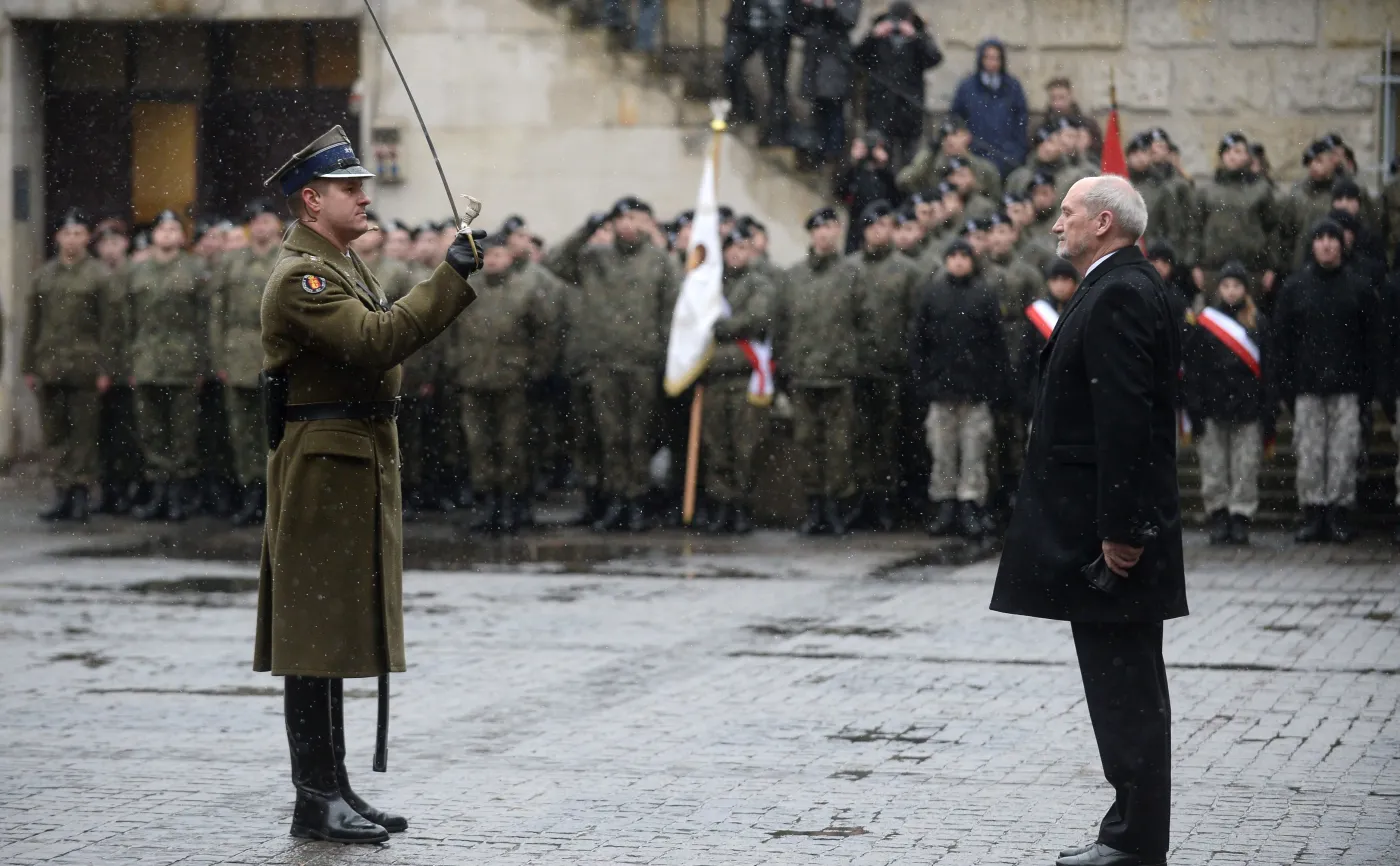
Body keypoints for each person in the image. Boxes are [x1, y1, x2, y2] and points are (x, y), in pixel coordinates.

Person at [254, 126, 484, 844]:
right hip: (324, 462)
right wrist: (448, 278)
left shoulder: (344, 265)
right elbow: (376, 342)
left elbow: (382, 340)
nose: (364, 197)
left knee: (330, 633)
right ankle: (314, 796)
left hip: (351, 455)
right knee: (312, 636)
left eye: (364, 186)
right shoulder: (303, 277)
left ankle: (335, 789)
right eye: (351, 189)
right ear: (312, 200)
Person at [993, 176, 1186, 866]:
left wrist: (1123, 530)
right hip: (1107, 526)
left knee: (1126, 691)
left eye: (1067, 214)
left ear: (1103, 222)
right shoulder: (1122, 285)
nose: (1056, 226)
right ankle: (1130, 833)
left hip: (1114, 539)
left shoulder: (1121, 292)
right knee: (1123, 687)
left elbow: (1127, 420)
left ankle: (1133, 845)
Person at [550, 197, 680, 531]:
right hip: (602, 361)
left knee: (638, 437)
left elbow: (670, 313)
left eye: (635, 218)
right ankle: (615, 500)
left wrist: (663, 357)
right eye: (621, 219)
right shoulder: (594, 259)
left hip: (642, 362)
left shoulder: (660, 262)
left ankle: (636, 501)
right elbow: (556, 264)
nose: (628, 225)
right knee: (609, 436)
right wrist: (587, 228)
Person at [1272, 218, 1383, 545]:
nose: (1326, 244)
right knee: (1309, 452)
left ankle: (1339, 513)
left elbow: (1372, 343)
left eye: (1332, 238)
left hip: (1347, 389)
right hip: (1307, 389)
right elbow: (1282, 342)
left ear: (1341, 244)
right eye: (1319, 238)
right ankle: (1313, 513)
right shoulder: (1295, 288)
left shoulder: (1360, 288)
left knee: (1343, 453)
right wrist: (1288, 387)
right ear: (1313, 244)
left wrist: (1367, 389)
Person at [452, 235, 555, 534]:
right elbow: (451, 331)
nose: (494, 260)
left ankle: (514, 505)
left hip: (513, 380)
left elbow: (545, 333)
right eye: (489, 255)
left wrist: (536, 369)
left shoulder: (526, 290)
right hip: (473, 378)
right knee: (479, 445)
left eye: (500, 254)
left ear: (510, 257)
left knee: (513, 445)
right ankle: (488, 504)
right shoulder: (469, 290)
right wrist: (455, 364)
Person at [908, 238, 1006, 538]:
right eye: (954, 256)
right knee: (942, 449)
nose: (959, 261)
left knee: (974, 449)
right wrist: (923, 381)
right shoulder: (933, 294)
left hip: (974, 390)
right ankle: (945, 503)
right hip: (941, 389)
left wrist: (995, 385)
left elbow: (996, 346)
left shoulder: (984, 295)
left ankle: (971, 504)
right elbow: (919, 342)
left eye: (965, 256)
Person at [21, 210, 116, 522]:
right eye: (67, 233)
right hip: (50, 365)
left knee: (84, 434)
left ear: (87, 238)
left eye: (78, 233)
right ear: (58, 237)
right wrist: (28, 366)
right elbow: (32, 325)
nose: (72, 239)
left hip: (85, 366)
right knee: (55, 433)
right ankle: (61, 491)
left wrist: (105, 367)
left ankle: (80, 492)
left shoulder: (99, 275)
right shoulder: (43, 276)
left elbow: (108, 326)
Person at [120, 210, 209, 522]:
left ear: (182, 237)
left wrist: (202, 364)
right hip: (147, 361)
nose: (168, 234)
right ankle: (158, 492)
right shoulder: (137, 271)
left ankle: (179, 496)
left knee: (183, 432)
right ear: (154, 235)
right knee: (151, 431)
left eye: (174, 229)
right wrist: (128, 361)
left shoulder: (196, 270)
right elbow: (127, 321)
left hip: (183, 361)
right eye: (163, 229)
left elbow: (204, 321)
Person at [780, 207, 864, 534]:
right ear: (812, 234)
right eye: (820, 229)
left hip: (840, 374)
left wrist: (854, 361)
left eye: (831, 228)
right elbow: (783, 324)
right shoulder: (794, 277)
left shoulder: (851, 274)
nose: (825, 234)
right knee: (806, 444)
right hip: (803, 374)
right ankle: (813, 506)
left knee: (839, 446)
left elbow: (865, 323)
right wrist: (786, 367)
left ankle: (835, 508)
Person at [1184, 262, 1275, 546]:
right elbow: (1194, 369)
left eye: (1237, 286)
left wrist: (1267, 406)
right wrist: (1195, 406)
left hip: (1247, 408)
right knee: (1213, 467)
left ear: (1245, 289)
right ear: (1218, 289)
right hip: (1213, 407)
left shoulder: (1258, 323)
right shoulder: (1205, 324)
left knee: (1245, 466)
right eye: (1226, 286)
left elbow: (1269, 368)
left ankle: (1240, 518)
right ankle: (1218, 515)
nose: (1231, 291)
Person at [209, 199, 282, 526]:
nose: (263, 227)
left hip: (276, 351)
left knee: (274, 429)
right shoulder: (231, 261)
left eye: (268, 220)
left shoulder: (288, 258)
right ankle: (250, 492)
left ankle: (274, 494)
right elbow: (217, 313)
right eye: (257, 221)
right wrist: (219, 355)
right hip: (238, 352)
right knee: (242, 430)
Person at [850, 200, 921, 530]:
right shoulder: (850, 268)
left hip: (892, 369)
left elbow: (915, 322)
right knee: (858, 438)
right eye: (874, 226)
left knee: (889, 440)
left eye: (886, 226)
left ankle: (886, 503)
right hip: (856, 369)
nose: (880, 232)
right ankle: (861, 500)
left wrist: (909, 360)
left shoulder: (907, 271)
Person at [702, 227, 775, 534]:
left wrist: (724, 327)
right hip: (714, 376)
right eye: (732, 248)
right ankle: (722, 504)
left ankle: (742, 505)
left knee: (745, 446)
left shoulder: (759, 284)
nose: (737, 254)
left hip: (745, 376)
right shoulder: (709, 285)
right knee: (716, 444)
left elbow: (757, 319)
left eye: (743, 248)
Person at [851, 0, 942, 169]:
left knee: (908, 160)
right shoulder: (878, 37)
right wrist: (873, 36)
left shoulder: (918, 36)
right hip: (880, 108)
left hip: (909, 108)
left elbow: (934, 58)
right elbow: (857, 58)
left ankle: (904, 193)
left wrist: (916, 37)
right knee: (881, 158)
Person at [1190, 132, 1278, 301]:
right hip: (1213, 269)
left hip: (1252, 269)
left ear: (1247, 156)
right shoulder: (1206, 191)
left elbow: (1272, 229)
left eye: (1238, 151)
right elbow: (1195, 228)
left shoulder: (1261, 189)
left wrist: (1271, 268)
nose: (1232, 156)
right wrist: (1194, 265)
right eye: (1227, 151)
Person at [92, 222, 141, 513]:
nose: (110, 248)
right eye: (105, 243)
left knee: (129, 434)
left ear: (125, 244)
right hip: (98, 366)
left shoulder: (135, 273)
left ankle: (129, 489)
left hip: (128, 364)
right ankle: (108, 489)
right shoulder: (93, 275)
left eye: (116, 242)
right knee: (102, 434)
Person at [793, 0, 861, 164]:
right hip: (815, 57)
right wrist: (806, 6)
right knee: (818, 110)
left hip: (834, 58)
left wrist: (831, 7)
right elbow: (799, 24)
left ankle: (832, 153)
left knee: (834, 111)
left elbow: (848, 21)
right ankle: (818, 150)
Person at [949, 38, 1027, 177]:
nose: (992, 63)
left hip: (1006, 154)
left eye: (996, 58)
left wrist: (1016, 151)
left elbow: (1021, 121)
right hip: (975, 154)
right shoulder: (967, 87)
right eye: (988, 57)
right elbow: (956, 117)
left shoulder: (1012, 87)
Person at [722, 0, 792, 146]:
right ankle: (744, 110)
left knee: (777, 84)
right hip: (746, 25)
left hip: (777, 29)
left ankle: (777, 132)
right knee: (730, 64)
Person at [896, 114, 1001, 202]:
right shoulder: (931, 166)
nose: (949, 139)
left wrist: (973, 188)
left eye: (954, 133)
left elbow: (995, 203)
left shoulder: (984, 169)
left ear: (967, 136)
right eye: (944, 135)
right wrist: (930, 152)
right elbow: (903, 181)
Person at [834, 129, 899, 253]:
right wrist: (853, 162)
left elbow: (896, 196)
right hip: (857, 223)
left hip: (880, 222)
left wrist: (884, 165)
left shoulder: (885, 175)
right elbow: (840, 191)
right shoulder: (856, 171)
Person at [1042, 77, 1103, 158]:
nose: (1058, 103)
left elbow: (1101, 152)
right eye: (1053, 98)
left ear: (1070, 96)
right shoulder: (1042, 125)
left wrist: (1087, 143)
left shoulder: (1087, 124)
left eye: (1061, 97)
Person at [1004, 125, 1066, 203]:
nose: (1045, 147)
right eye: (1040, 141)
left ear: (1063, 146)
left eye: (1051, 142)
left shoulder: (1071, 178)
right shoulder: (1019, 176)